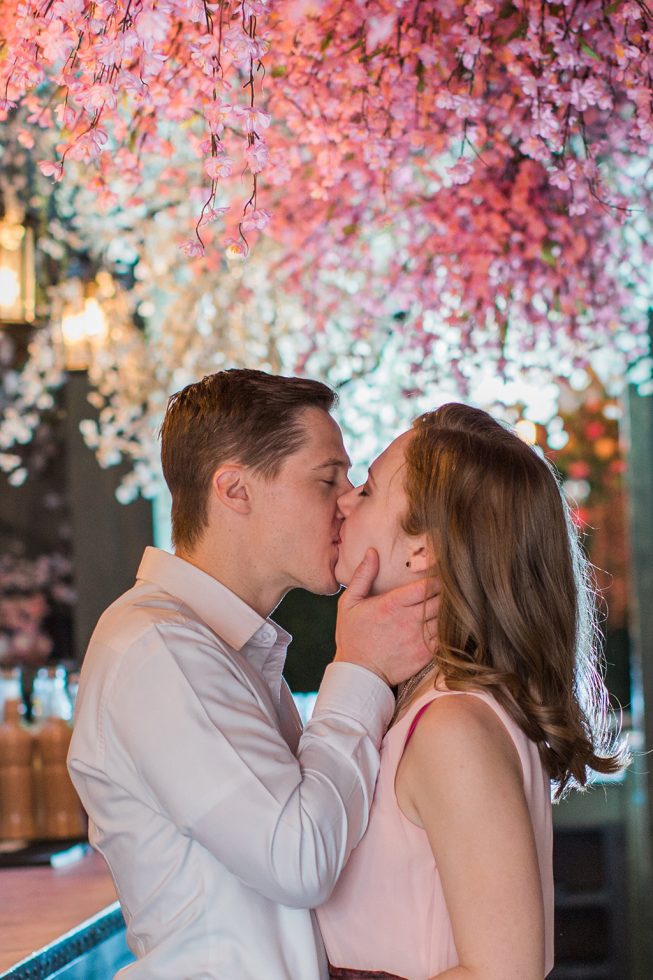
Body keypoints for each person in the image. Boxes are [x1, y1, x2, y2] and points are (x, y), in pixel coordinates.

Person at [67, 369, 437, 980]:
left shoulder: (225, 647)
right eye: (327, 478)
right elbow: (298, 860)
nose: (349, 500)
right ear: (235, 490)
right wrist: (361, 669)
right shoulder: (157, 648)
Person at [317, 403, 628, 980]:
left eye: (367, 490)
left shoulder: (452, 726)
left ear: (423, 549)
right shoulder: (431, 709)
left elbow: (503, 973)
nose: (343, 501)